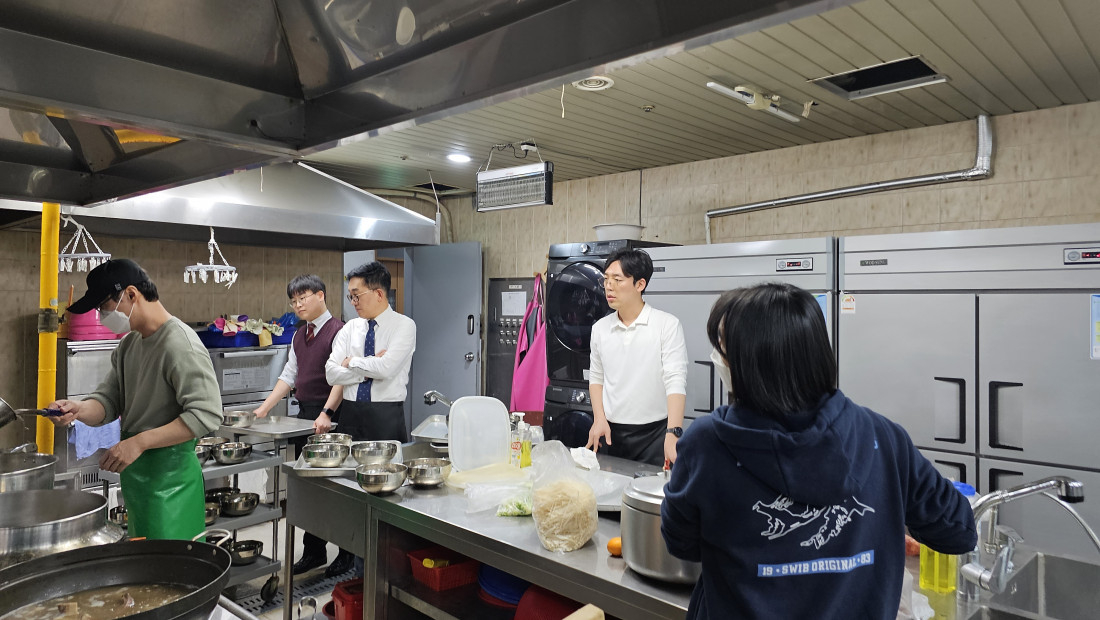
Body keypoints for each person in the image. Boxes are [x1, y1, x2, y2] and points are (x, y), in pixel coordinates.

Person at [661, 283, 977, 619]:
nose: (719, 358)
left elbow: (681, 542)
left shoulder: (706, 444)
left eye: (724, 349)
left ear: (748, 363)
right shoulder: (882, 436)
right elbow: (958, 531)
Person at [48, 259, 222, 540]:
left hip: (172, 482)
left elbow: (206, 415)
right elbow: (108, 401)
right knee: (145, 559)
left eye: (103, 306)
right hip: (138, 481)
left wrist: (139, 442)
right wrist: (78, 409)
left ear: (131, 294)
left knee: (174, 561)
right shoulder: (129, 344)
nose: (101, 316)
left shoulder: (180, 344)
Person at [326, 261, 416, 575]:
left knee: (388, 496)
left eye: (357, 295)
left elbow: (387, 369)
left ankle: (386, 569)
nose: (353, 302)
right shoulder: (349, 328)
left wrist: (352, 363)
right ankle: (352, 564)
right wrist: (366, 366)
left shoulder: (404, 326)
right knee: (349, 493)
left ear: (378, 293)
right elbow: (331, 373)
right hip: (351, 416)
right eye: (350, 296)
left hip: (386, 418)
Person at [252, 274, 345, 577]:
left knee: (336, 489)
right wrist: (265, 407)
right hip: (305, 415)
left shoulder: (339, 331)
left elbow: (343, 380)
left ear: (320, 295)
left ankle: (347, 554)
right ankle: (314, 551)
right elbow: (289, 375)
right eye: (293, 301)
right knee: (308, 488)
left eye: (302, 298)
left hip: (331, 416)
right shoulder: (298, 335)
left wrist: (327, 414)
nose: (298, 305)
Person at [585, 248, 688, 466]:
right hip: (611, 433)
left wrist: (673, 432)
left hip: (655, 435)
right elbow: (596, 377)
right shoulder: (600, 329)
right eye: (606, 279)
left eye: (617, 280)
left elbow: (675, 380)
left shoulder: (667, 325)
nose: (609, 286)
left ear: (640, 284)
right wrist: (599, 418)